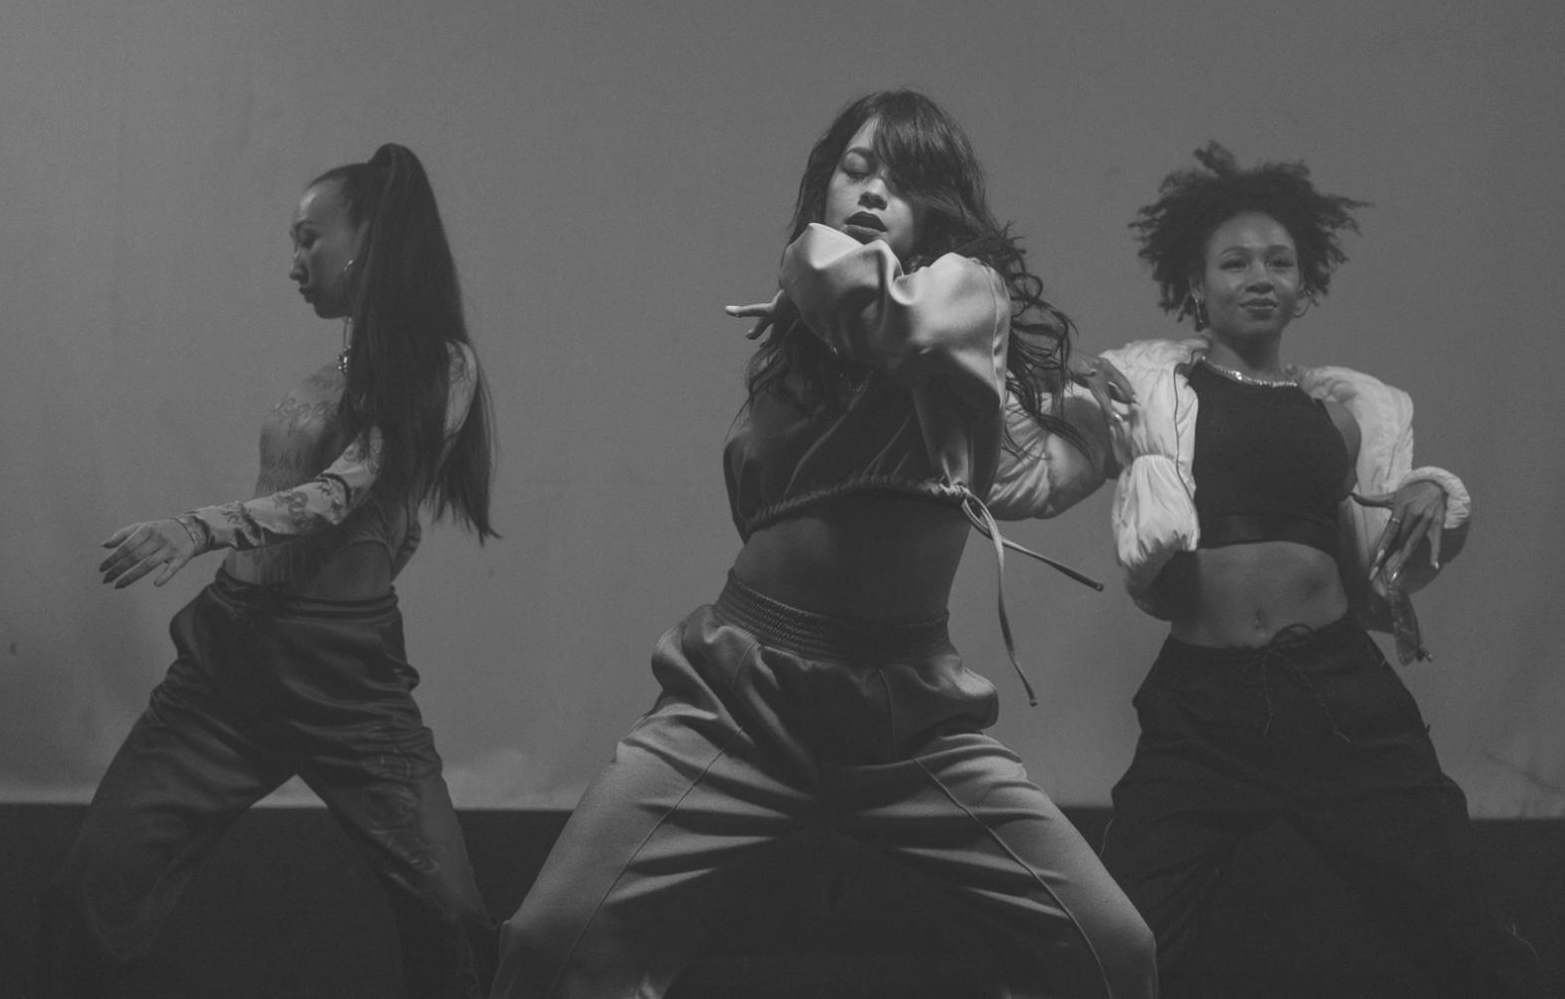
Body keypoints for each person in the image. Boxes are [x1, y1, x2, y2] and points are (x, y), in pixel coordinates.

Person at [489, 90, 1155, 998]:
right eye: (856, 169)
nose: (873, 191)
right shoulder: (800, 350)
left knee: (1111, 948)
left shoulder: (964, 292)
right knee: (548, 942)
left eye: (903, 180)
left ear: (940, 209)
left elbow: (998, 450)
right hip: (738, 697)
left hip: (904, 716)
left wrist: (1105, 430)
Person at [39, 144, 500, 997]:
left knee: (453, 916)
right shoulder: (335, 373)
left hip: (345, 682)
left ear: (372, 238)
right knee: (97, 885)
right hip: (230, 663)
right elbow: (379, 519)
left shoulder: (444, 364)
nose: (293, 262)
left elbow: (344, 492)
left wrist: (196, 527)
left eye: (309, 239)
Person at [1092, 142, 1543, 996]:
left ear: (1305, 286)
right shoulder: (1148, 392)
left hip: (1336, 693)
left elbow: (1377, 520)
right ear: (1196, 284)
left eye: (1279, 262)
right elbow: (1041, 446)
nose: (1259, 277)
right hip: (1204, 704)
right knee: (1122, 930)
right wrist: (1060, 383)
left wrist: (1430, 487)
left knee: (1456, 909)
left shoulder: (1342, 413)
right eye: (1234, 262)